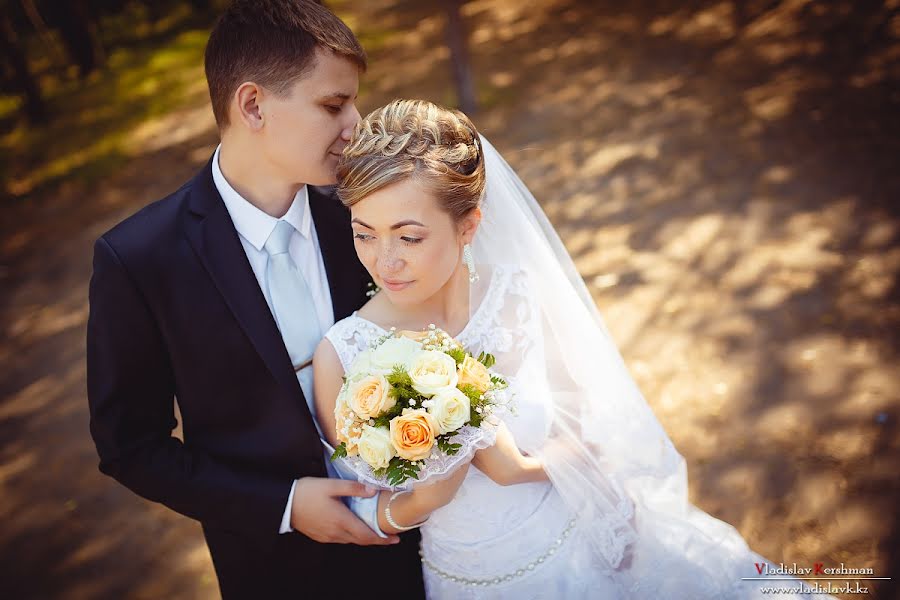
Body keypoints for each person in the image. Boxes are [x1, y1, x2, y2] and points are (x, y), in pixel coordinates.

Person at [312, 99, 834, 598]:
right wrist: (424, 499)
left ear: (468, 225)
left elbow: (588, 425)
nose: (385, 262)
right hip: (468, 579)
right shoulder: (348, 356)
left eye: (409, 237)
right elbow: (355, 509)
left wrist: (521, 468)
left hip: (580, 546)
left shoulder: (517, 294)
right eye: (364, 234)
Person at [86, 2, 424, 598]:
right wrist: (286, 504)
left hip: (417, 539)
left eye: (353, 101)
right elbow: (130, 447)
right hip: (276, 570)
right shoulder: (139, 259)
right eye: (332, 104)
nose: (356, 124)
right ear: (253, 105)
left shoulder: (365, 216)